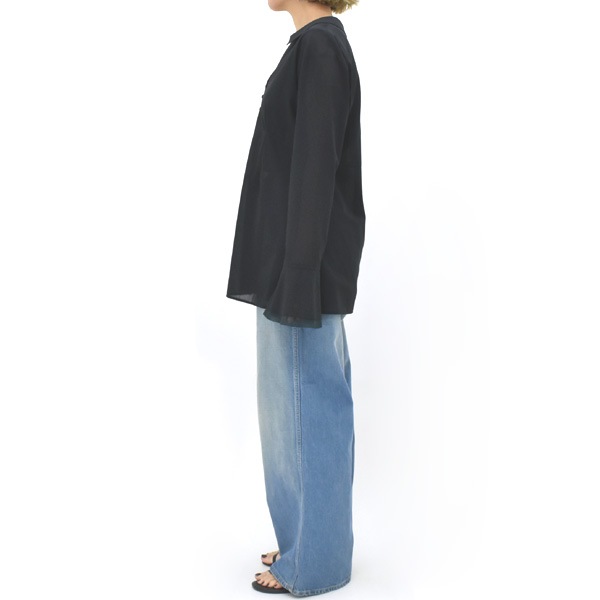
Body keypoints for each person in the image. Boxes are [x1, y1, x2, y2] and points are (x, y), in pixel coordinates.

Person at [225, 0, 364, 595]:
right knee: (288, 416)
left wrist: (299, 277)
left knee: (311, 412)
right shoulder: (310, 47)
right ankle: (304, 540)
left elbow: (315, 171)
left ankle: (317, 563)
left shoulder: (322, 49)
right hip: (287, 265)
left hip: (299, 271)